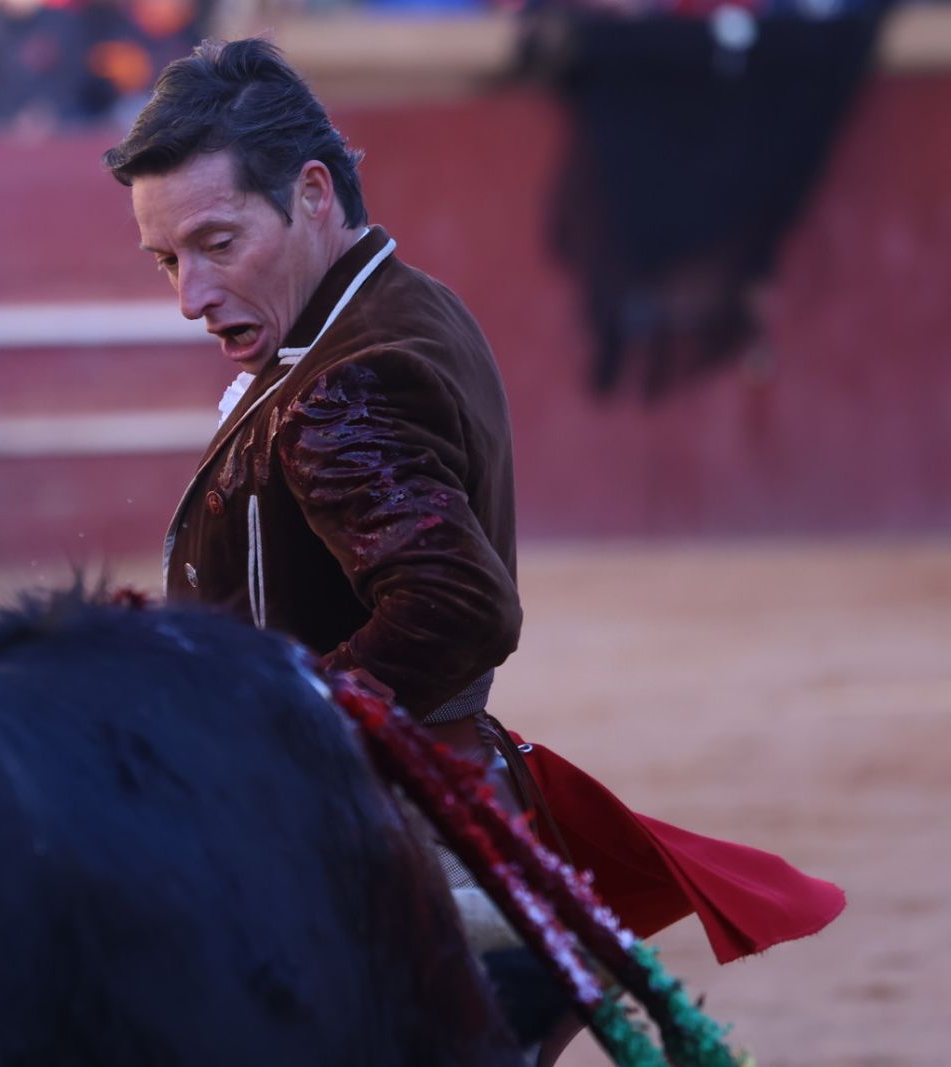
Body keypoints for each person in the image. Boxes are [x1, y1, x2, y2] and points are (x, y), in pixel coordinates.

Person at [106, 36, 843, 1062]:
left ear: (311, 193)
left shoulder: (343, 381)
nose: (191, 294)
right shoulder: (396, 307)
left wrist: (275, 730)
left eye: (217, 243)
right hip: (428, 805)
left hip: (368, 841)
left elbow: (455, 601)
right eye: (168, 260)